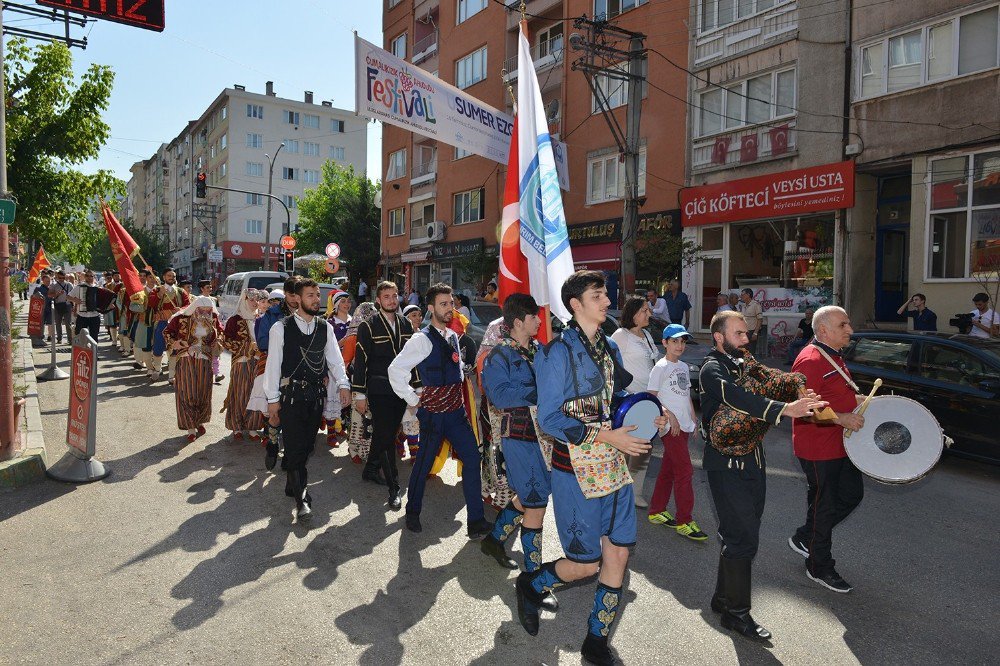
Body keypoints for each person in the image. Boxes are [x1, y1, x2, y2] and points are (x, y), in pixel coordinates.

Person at [519, 270, 666, 665]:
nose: (607, 301)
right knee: (585, 565)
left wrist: (652, 413)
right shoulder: (555, 353)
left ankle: (595, 642)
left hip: (614, 468)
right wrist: (605, 436)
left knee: (617, 555)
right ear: (575, 304)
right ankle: (532, 584)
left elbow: (617, 396)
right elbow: (549, 418)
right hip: (575, 471)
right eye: (598, 295)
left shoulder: (609, 348)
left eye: (605, 294)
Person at [700, 310, 825, 642]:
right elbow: (738, 398)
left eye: (746, 333)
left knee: (740, 535)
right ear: (719, 337)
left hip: (754, 462)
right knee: (743, 540)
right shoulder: (712, 370)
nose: (746, 338)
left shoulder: (745, 361)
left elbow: (774, 377)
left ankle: (722, 598)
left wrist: (798, 389)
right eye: (739, 334)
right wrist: (783, 410)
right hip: (725, 467)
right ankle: (737, 614)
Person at [388, 283, 490, 537]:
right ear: (431, 308)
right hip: (433, 414)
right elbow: (395, 370)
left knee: (473, 458)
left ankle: (475, 522)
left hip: (456, 413)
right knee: (423, 464)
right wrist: (413, 399)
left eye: (452, 304)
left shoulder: (453, 337)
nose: (450, 309)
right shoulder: (421, 340)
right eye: (444, 304)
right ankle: (412, 512)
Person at [480, 294, 558, 612]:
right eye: (534, 317)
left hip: (545, 438)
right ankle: (534, 579)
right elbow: (499, 395)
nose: (540, 321)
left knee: (528, 497)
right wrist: (540, 390)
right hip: (519, 437)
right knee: (536, 501)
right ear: (518, 322)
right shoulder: (500, 355)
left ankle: (494, 540)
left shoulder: (540, 351)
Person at [789, 306, 866, 594]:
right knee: (826, 505)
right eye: (843, 325)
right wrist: (841, 417)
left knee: (850, 495)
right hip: (818, 447)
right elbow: (804, 408)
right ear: (823, 330)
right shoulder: (809, 359)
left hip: (840, 444)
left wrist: (860, 401)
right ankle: (819, 565)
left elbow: (834, 394)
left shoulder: (832, 355)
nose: (850, 330)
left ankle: (806, 536)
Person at [263, 279, 351, 522]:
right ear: (298, 299)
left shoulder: (325, 328)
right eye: (310, 295)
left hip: (315, 396)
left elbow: (334, 360)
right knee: (294, 447)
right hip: (290, 396)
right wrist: (272, 399)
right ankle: (302, 500)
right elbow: (272, 366)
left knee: (308, 447)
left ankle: (292, 482)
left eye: (317, 295)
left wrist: (343, 383)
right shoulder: (280, 328)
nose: (316, 299)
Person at [353, 281, 417, 509]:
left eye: (395, 295)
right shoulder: (368, 326)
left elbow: (413, 359)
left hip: (402, 390)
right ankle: (394, 488)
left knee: (385, 432)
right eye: (386, 296)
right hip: (379, 389)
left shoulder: (406, 324)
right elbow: (361, 362)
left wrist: (417, 389)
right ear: (378, 300)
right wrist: (359, 393)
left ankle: (371, 469)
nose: (391, 300)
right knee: (388, 437)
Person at [646, 324, 706, 541]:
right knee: (685, 471)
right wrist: (669, 415)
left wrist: (693, 417)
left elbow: (685, 394)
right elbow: (651, 397)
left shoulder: (682, 366)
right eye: (674, 341)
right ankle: (684, 521)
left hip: (684, 425)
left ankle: (656, 511)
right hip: (670, 428)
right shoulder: (660, 367)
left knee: (669, 470)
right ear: (665, 343)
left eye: (682, 341)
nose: (680, 345)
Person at [609, 296, 661, 508]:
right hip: (627, 401)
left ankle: (635, 492)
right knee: (623, 448)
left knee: (644, 448)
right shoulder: (621, 335)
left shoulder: (647, 335)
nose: (648, 314)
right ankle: (616, 492)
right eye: (644, 310)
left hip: (648, 401)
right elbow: (610, 362)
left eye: (648, 310)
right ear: (632, 313)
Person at [163, 296, 224, 443]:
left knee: (203, 391)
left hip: (205, 358)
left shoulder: (214, 317)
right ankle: (190, 427)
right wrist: (175, 343)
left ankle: (199, 421)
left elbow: (221, 333)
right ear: (195, 308)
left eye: (208, 310)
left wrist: (218, 341)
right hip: (185, 356)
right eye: (202, 310)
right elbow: (167, 332)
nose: (205, 313)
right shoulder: (181, 318)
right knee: (186, 390)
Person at [220, 289, 265, 441]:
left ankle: (252, 426)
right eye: (251, 300)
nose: (254, 303)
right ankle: (237, 426)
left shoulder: (261, 318)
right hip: (241, 361)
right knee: (239, 393)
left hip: (259, 362)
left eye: (256, 300)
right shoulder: (235, 319)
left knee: (256, 393)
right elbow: (225, 341)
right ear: (244, 300)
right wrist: (246, 347)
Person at [148, 269, 191, 382]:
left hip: (176, 324)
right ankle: (157, 369)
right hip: (161, 322)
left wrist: (181, 309)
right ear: (164, 277)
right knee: (158, 347)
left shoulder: (181, 291)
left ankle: (172, 376)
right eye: (169, 276)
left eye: (173, 276)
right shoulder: (156, 290)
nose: (172, 278)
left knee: (174, 348)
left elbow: (189, 305)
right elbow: (151, 304)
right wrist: (159, 294)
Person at [66, 270, 103, 342]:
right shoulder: (79, 287)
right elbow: (68, 296)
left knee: (94, 336)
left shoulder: (98, 288)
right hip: (82, 316)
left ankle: (94, 352)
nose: (89, 277)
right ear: (85, 277)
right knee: (80, 336)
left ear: (94, 277)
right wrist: (75, 300)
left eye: (91, 276)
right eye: (87, 276)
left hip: (95, 315)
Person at [738, 288, 764, 356]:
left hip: (752, 331)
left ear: (748, 295)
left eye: (742, 295)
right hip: (744, 331)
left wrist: (755, 333)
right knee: (742, 351)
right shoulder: (743, 305)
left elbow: (760, 319)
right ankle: (743, 366)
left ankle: (750, 366)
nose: (741, 296)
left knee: (751, 352)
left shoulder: (756, 305)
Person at [50, 270, 74, 344]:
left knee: (68, 323)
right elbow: (50, 295)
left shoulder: (69, 285)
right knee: (58, 323)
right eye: (60, 277)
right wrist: (57, 294)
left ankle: (70, 339)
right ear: (57, 277)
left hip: (67, 305)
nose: (61, 279)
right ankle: (59, 338)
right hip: (58, 305)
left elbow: (74, 295)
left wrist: (73, 305)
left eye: (63, 278)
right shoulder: (54, 285)